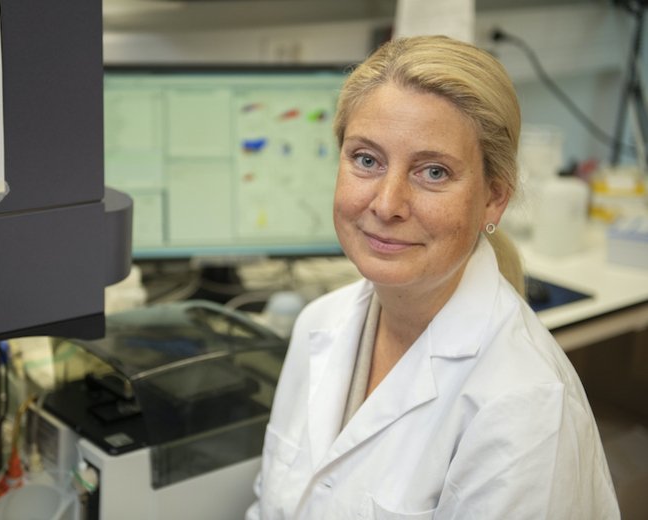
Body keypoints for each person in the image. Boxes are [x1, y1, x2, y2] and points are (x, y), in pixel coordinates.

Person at [246, 35, 619, 519]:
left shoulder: (525, 407)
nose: (386, 204)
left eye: (434, 173)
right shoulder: (320, 322)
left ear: (494, 198)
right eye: (366, 160)